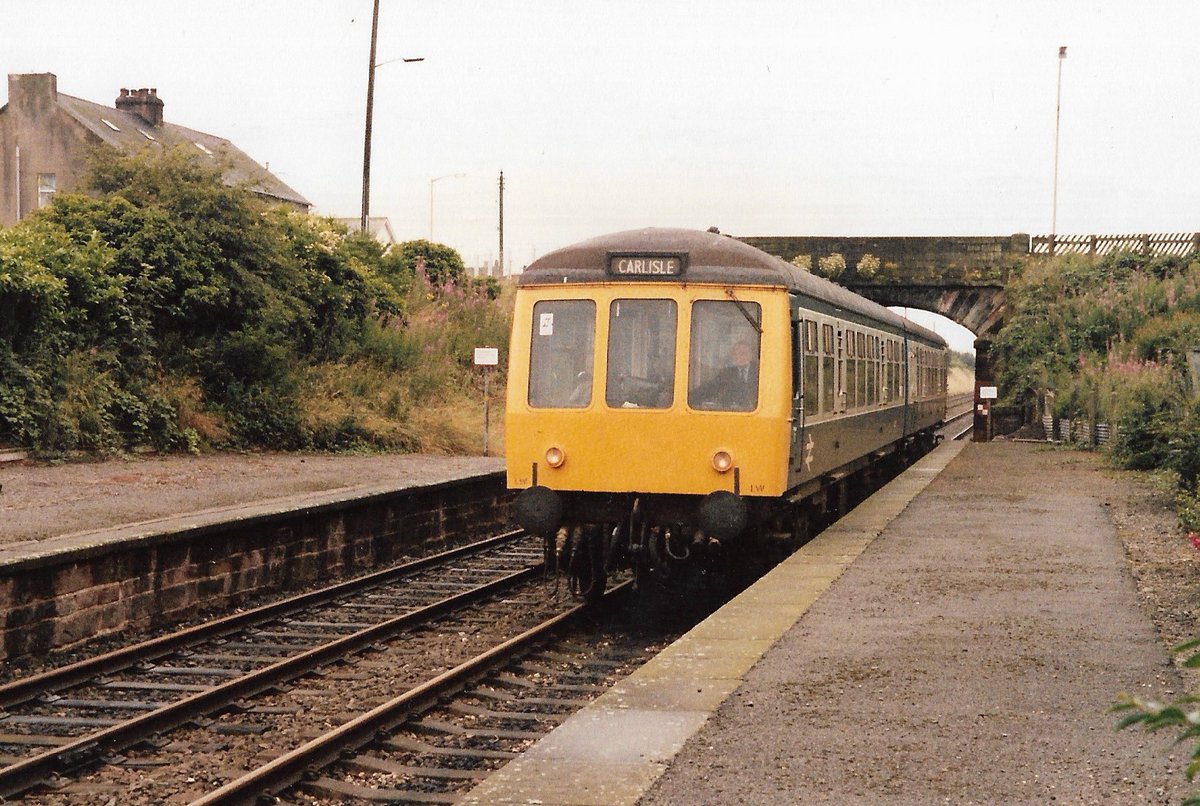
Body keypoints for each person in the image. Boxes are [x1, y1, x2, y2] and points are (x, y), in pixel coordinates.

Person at [691, 336, 759, 410]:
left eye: (744, 353)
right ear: (733, 356)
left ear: (751, 355)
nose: (741, 356)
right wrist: (689, 398)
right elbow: (711, 387)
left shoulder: (758, 372)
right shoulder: (727, 373)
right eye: (737, 354)